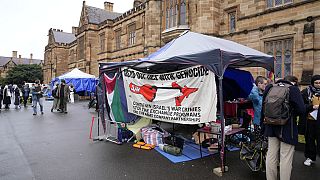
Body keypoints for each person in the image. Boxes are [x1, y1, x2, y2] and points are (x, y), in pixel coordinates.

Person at [261, 75, 305, 180]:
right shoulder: (293, 89)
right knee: (285, 157)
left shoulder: (270, 87)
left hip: (270, 126)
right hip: (287, 128)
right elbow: (302, 110)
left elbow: (263, 108)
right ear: (293, 82)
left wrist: (263, 127)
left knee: (271, 155)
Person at [300, 75, 320, 166]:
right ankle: (310, 157)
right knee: (310, 139)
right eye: (316, 83)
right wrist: (311, 106)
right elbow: (301, 106)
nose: (318, 84)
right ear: (312, 83)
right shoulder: (305, 92)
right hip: (310, 120)